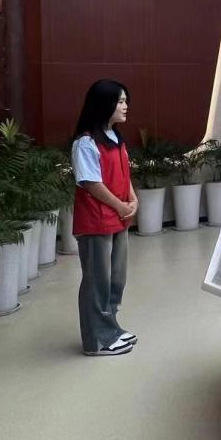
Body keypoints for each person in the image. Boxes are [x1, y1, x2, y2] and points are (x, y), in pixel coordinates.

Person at [71, 79, 138, 357]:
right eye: (120, 101)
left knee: (115, 279)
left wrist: (133, 199)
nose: (125, 106)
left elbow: (125, 174)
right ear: (104, 104)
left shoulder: (116, 138)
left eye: (125, 101)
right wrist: (121, 206)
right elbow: (91, 184)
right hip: (97, 222)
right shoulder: (86, 143)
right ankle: (97, 341)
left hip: (117, 219)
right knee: (97, 281)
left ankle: (110, 328)